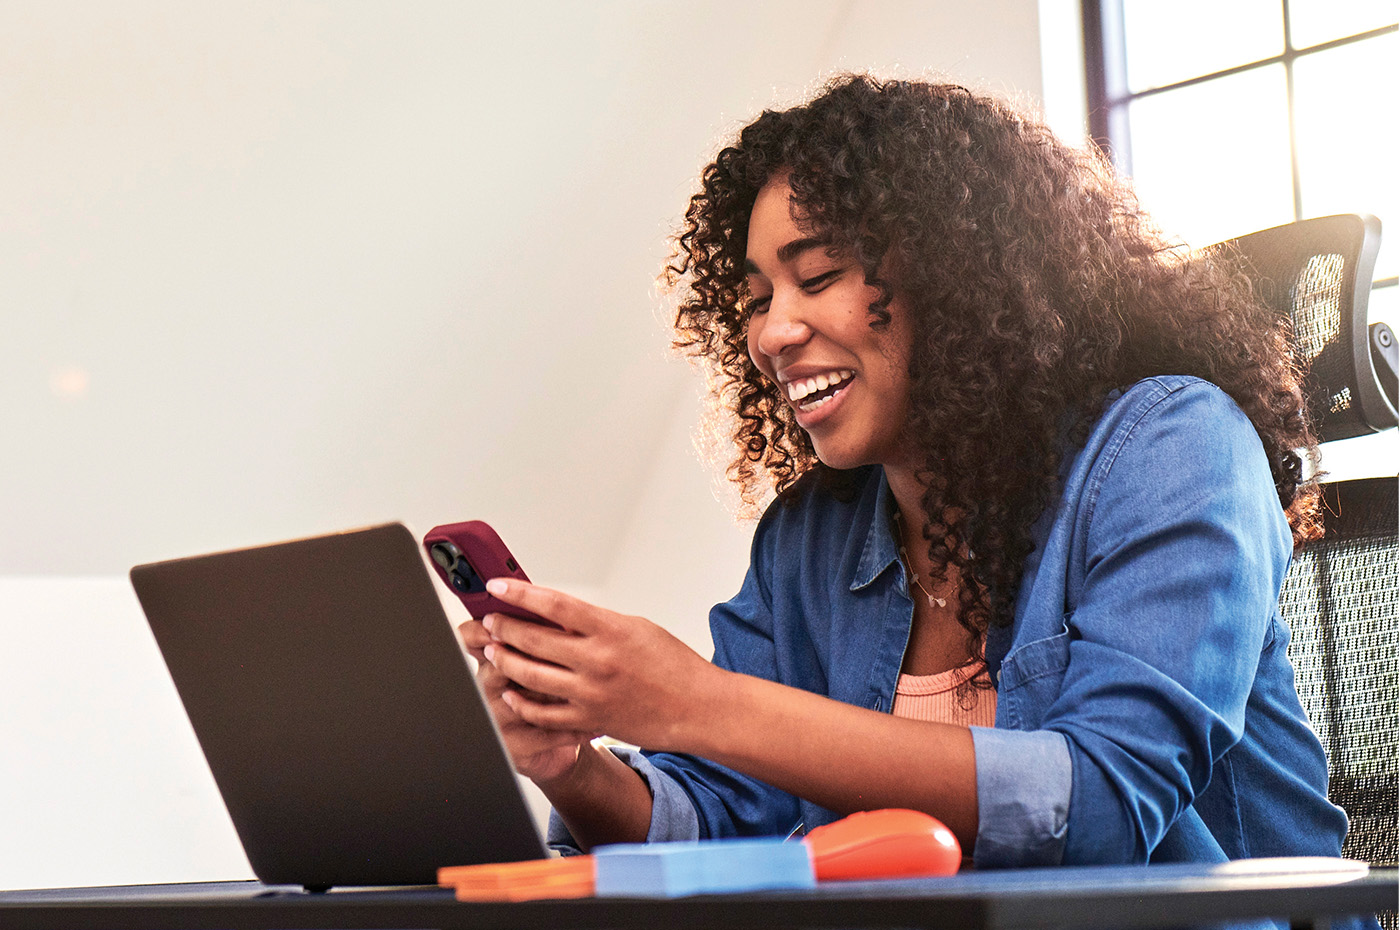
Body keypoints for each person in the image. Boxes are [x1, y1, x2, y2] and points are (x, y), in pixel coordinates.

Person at [459, 75, 1356, 884]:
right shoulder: (810, 538)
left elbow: (1102, 805)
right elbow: (721, 820)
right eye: (757, 300)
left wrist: (696, 703)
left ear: (961, 274)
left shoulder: (1171, 445)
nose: (773, 333)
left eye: (818, 276)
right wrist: (573, 766)